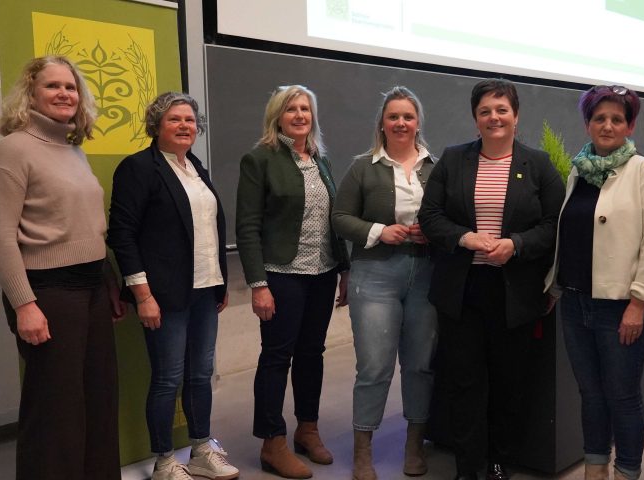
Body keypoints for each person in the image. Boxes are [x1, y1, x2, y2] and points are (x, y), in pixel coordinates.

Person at [0, 55, 126, 480]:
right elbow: (0, 237)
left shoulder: (73, 149)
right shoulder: (12, 151)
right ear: (30, 94)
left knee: (99, 400)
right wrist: (24, 304)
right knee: (54, 410)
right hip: (47, 293)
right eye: (52, 85)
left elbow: (87, 226)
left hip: (92, 288)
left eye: (70, 86)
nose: (64, 93)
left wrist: (108, 280)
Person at [419, 78, 564, 480]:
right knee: (464, 381)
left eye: (502, 110)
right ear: (475, 118)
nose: (494, 117)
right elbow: (430, 216)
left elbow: (555, 224)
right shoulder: (453, 160)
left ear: (516, 116)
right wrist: (464, 238)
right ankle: (469, 466)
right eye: (485, 111)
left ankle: (500, 462)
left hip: (514, 292)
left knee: (508, 381)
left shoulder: (538, 165)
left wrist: (516, 244)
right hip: (462, 291)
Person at [106, 92, 238, 480]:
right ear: (156, 126)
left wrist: (219, 281)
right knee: (167, 378)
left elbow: (209, 229)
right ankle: (164, 461)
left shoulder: (195, 167)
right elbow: (122, 235)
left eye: (190, 120)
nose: (184, 126)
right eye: (174, 119)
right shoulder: (138, 168)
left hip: (205, 288)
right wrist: (142, 295)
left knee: (200, 374)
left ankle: (200, 450)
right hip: (164, 295)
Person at [545, 85, 644, 480]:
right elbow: (569, 234)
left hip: (621, 307)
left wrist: (639, 303)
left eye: (617, 119)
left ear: (630, 126)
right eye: (599, 118)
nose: (607, 125)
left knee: (623, 396)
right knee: (591, 395)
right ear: (588, 124)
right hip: (575, 302)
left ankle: (627, 471)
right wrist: (555, 286)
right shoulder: (578, 170)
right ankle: (594, 470)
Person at [236, 85, 350, 479]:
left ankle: (307, 429)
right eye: (291, 109)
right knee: (276, 357)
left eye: (305, 109)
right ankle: (272, 443)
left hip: (322, 273)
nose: (300, 115)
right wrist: (258, 284)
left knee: (311, 354)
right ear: (277, 117)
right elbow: (247, 226)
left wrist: (344, 270)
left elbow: (334, 221)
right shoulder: (260, 159)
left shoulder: (320, 161)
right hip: (281, 276)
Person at [332, 86, 438, 480]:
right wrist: (379, 230)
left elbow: (450, 216)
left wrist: (432, 232)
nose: (401, 123)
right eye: (393, 116)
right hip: (375, 274)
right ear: (382, 123)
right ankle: (363, 452)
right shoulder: (363, 167)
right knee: (375, 366)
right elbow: (340, 217)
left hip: (426, 274)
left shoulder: (435, 168)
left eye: (408, 116)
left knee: (420, 365)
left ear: (417, 122)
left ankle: (414, 446)